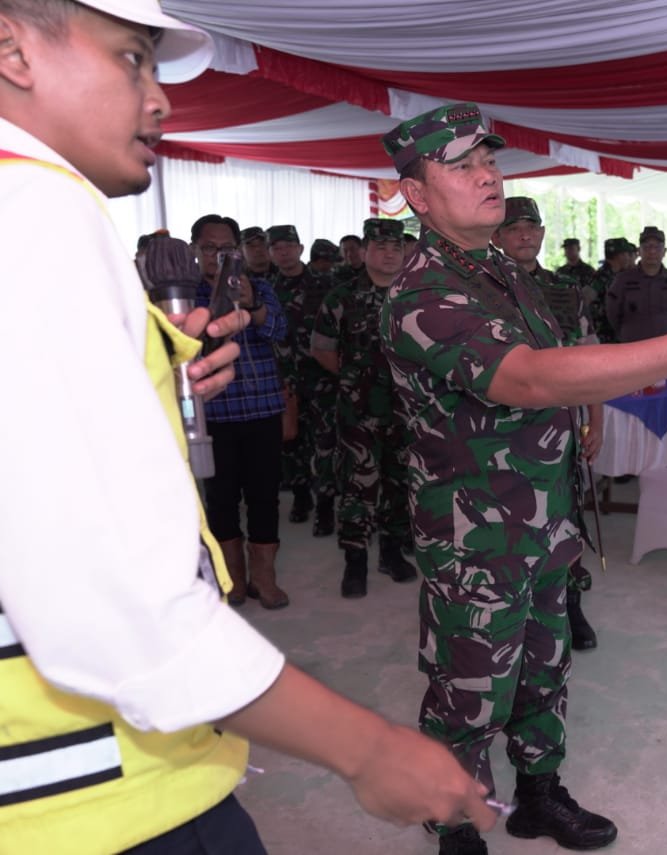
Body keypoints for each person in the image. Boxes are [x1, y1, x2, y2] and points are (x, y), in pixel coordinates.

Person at [0, 2, 494, 851]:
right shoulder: (33, 210)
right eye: (129, 58)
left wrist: (144, 380)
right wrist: (368, 747)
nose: (158, 99)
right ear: (13, 51)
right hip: (90, 800)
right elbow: (112, 604)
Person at [379, 102, 667, 855]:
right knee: (469, 691)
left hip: (544, 514)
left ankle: (538, 794)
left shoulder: (505, 270)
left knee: (544, 667)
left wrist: (591, 405)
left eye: (489, 159)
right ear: (416, 193)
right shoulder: (422, 293)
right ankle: (457, 826)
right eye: (461, 164)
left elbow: (565, 361)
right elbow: (529, 379)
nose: (486, 174)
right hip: (476, 538)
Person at [494, 196, 604, 651]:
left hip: (559, 430)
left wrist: (596, 422)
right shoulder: (480, 290)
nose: (524, 235)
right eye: (514, 227)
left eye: (531, 227)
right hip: (500, 433)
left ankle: (571, 607)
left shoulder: (566, 290)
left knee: (565, 520)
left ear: (541, 233)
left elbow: (591, 359)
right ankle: (508, 618)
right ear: (497, 236)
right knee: (503, 530)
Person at [311, 217, 417, 597]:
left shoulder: (418, 295)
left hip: (407, 409)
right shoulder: (341, 297)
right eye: (381, 247)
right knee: (358, 485)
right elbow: (321, 348)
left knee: (400, 481)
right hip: (358, 412)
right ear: (365, 251)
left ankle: (391, 551)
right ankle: (355, 561)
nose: (389, 255)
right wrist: (356, 378)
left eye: (396, 248)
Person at [191, 213, 292, 609]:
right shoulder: (187, 296)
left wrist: (254, 307)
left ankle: (264, 578)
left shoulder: (261, 286)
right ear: (196, 249)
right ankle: (231, 576)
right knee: (221, 500)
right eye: (210, 247)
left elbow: (280, 332)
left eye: (227, 248)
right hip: (215, 414)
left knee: (265, 497)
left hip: (263, 408)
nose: (219, 255)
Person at [270, 223, 338, 530]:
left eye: (289, 247)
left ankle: (325, 503)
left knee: (325, 442)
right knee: (291, 443)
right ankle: (300, 495)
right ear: (271, 254)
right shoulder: (266, 289)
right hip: (286, 379)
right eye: (277, 249)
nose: (284, 253)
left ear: (300, 249)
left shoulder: (326, 283)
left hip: (322, 377)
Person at [605, 225, 667, 342]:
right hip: (633, 346)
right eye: (647, 247)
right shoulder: (623, 280)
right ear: (639, 251)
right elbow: (612, 313)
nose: (652, 251)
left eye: (657, 247)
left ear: (664, 251)